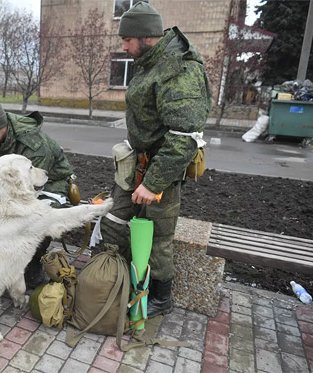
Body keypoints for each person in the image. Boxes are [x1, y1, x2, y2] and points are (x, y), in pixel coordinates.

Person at [98, 2, 211, 317]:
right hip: (140, 160)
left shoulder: (179, 67)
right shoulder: (150, 60)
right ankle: (121, 275)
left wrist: (154, 183)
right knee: (120, 216)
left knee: (157, 232)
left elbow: (185, 135)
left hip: (163, 167)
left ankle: (161, 297)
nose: (123, 46)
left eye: (127, 40)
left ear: (146, 37)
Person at [0, 98, 74, 289]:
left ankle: (33, 261)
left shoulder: (33, 143)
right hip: (18, 185)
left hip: (49, 182)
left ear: (3, 126)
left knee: (38, 217)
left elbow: (30, 189)